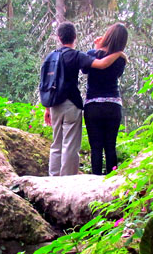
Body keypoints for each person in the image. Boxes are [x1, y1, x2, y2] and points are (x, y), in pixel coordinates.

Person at [44, 22, 123, 176]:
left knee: (58, 143)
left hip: (59, 105)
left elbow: (45, 83)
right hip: (78, 104)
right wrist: (118, 53)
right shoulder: (78, 55)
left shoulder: (50, 57)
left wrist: (47, 108)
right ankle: (70, 179)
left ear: (59, 38)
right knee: (72, 145)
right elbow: (101, 65)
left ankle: (54, 178)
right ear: (75, 37)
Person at [82, 23, 128, 175]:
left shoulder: (92, 54)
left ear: (107, 35)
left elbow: (84, 69)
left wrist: (95, 48)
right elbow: (116, 75)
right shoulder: (121, 60)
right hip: (113, 105)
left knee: (96, 148)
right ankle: (112, 182)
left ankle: (95, 182)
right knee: (110, 146)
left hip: (93, 105)